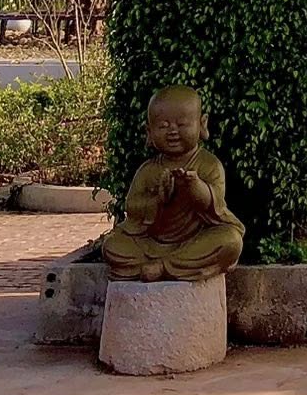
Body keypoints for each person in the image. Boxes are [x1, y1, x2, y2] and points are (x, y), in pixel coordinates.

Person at [101, 86, 245, 281]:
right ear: (149, 131)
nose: (173, 131)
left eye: (182, 124)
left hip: (195, 242)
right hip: (151, 243)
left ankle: (162, 267)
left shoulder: (209, 165)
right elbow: (132, 207)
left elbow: (216, 205)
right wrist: (157, 200)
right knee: (112, 245)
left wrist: (196, 187)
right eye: (163, 126)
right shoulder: (149, 169)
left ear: (202, 124)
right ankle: (173, 267)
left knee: (231, 241)